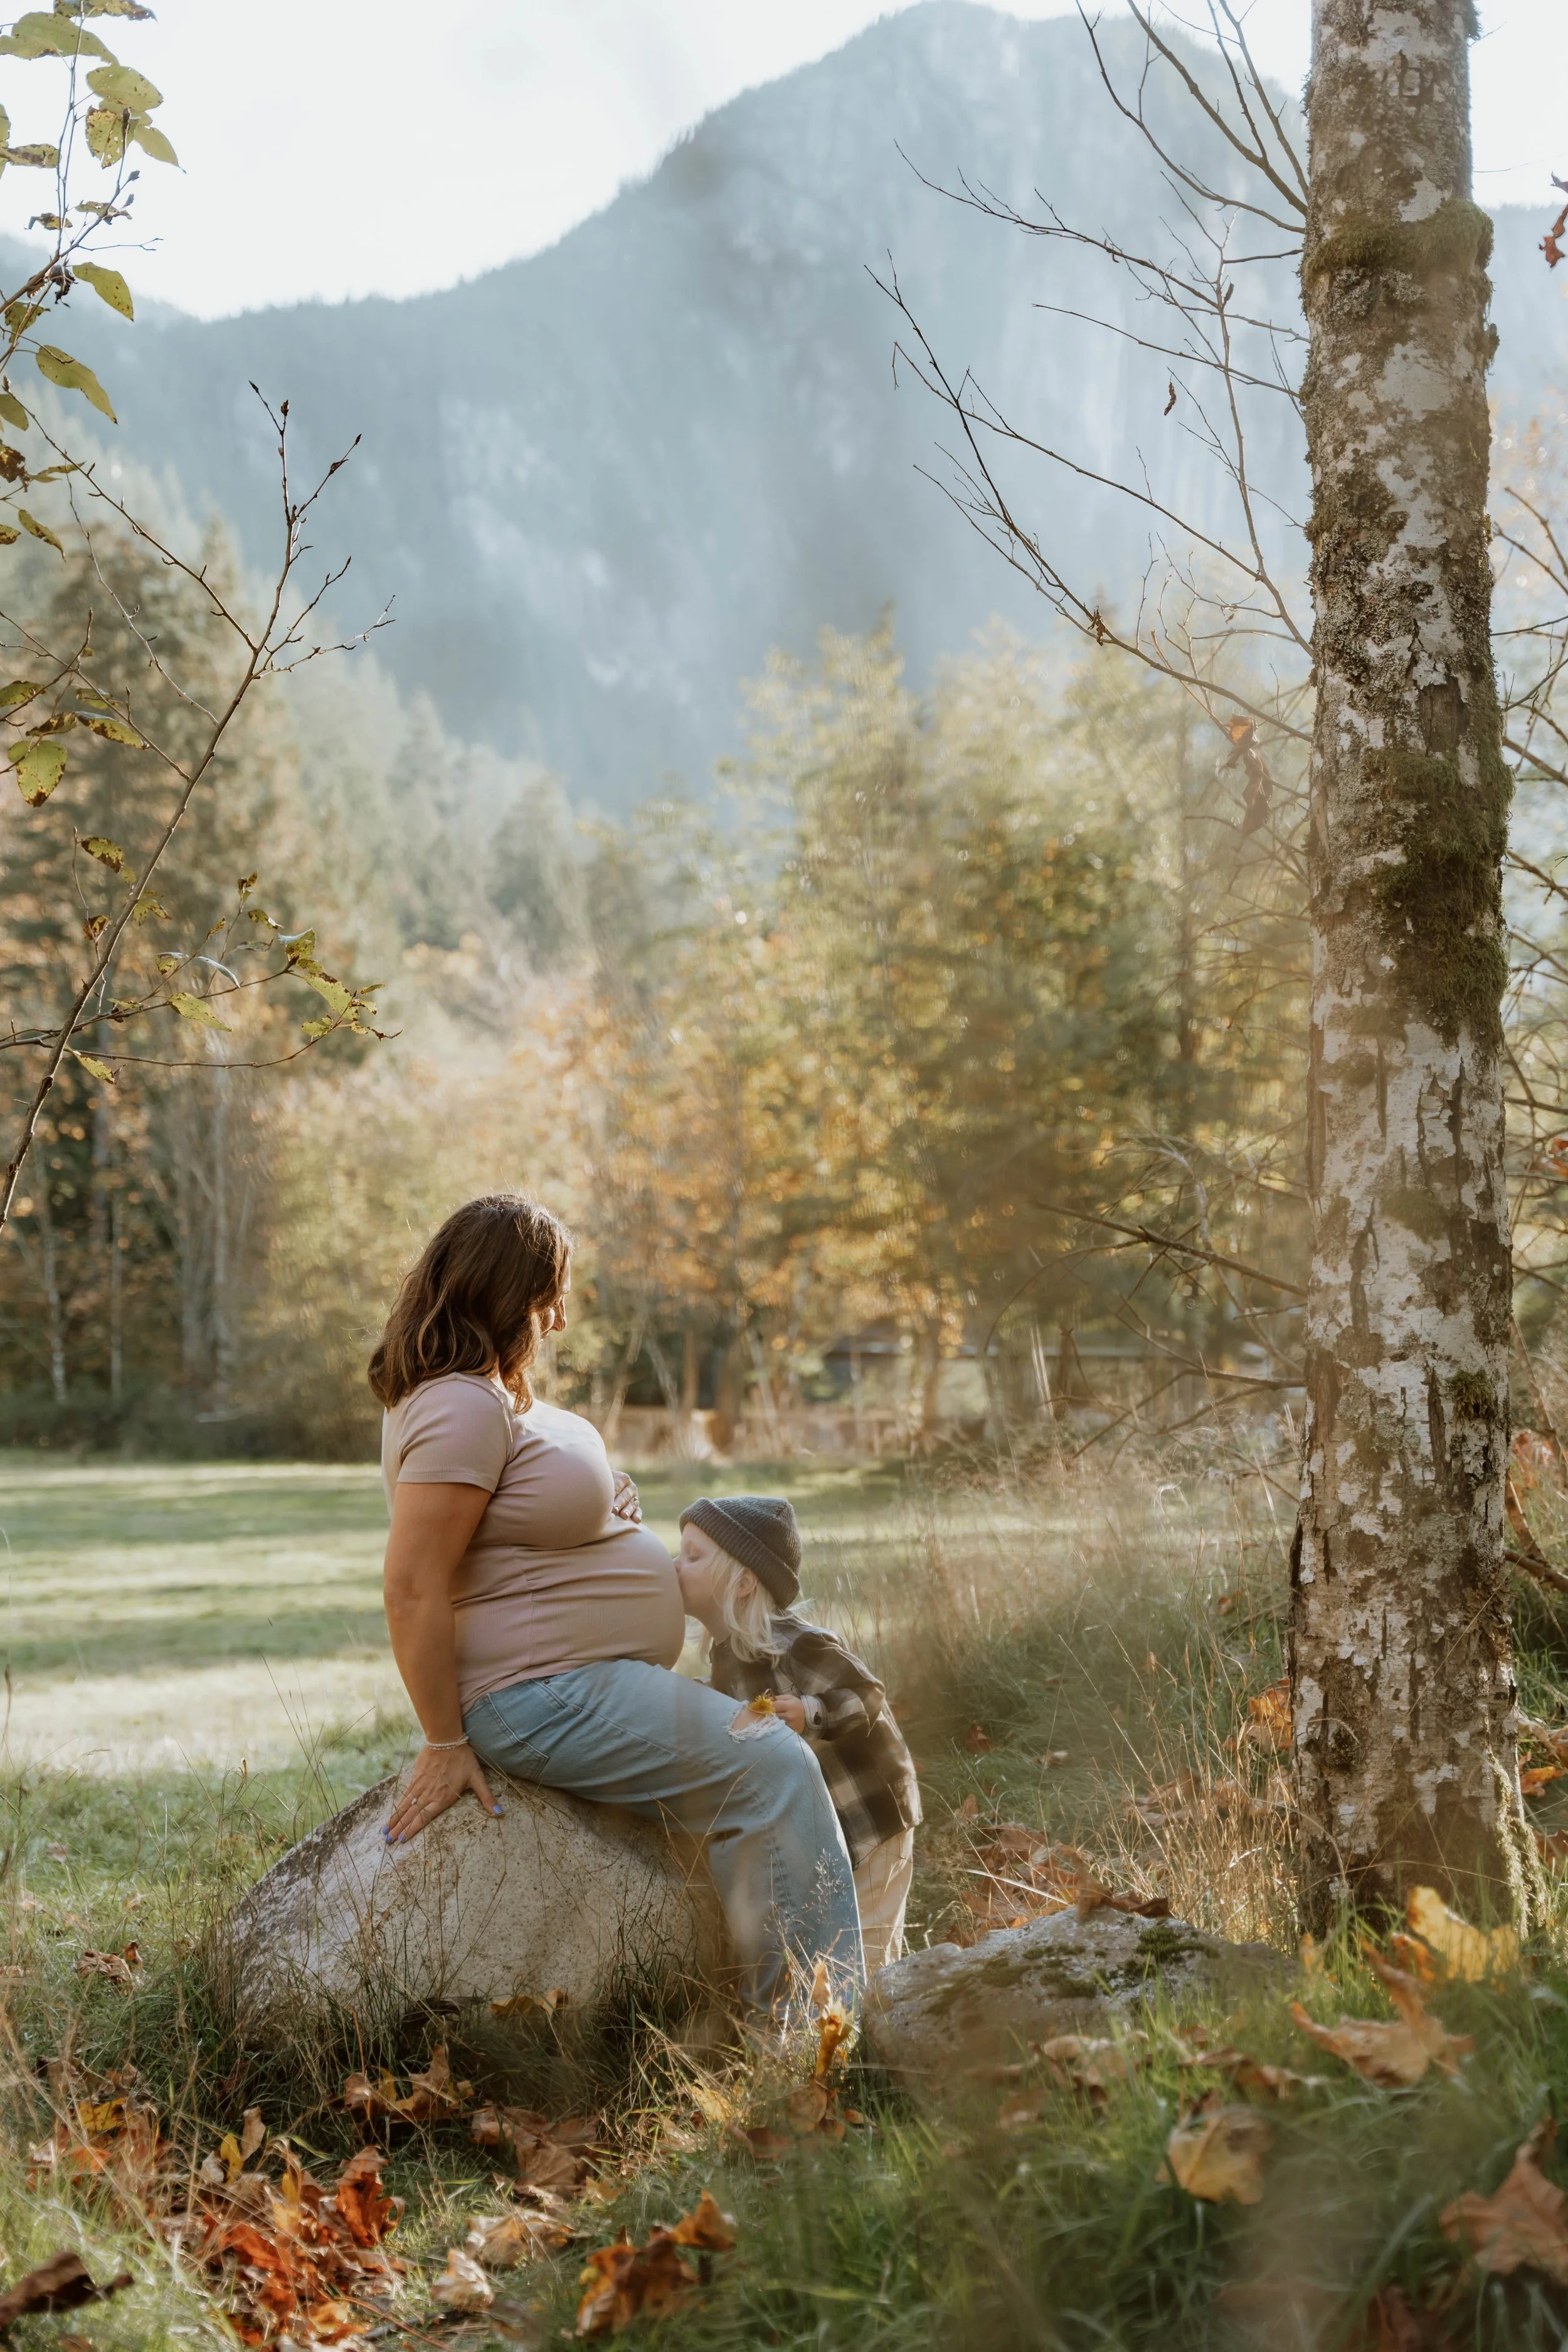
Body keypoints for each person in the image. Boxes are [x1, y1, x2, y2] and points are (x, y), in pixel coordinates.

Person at [368, 1193, 862, 2016]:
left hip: (579, 1678)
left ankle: (796, 2014)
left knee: (769, 1759)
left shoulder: (487, 1396)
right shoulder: (459, 1404)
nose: (557, 1317)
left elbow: (518, 1513)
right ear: (505, 1292)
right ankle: (817, 2030)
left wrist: (600, 1509)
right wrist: (444, 1738)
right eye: (547, 1293)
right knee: (774, 1763)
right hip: (538, 1689)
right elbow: (413, 1581)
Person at [676, 1494, 921, 1974]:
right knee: (830, 1944)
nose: (675, 1565)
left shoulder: (795, 1643)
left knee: (868, 1949)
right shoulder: (727, 1657)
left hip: (870, 1816)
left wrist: (812, 1710)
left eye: (692, 1556)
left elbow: (867, 1696)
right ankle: (839, 2023)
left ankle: (880, 2027)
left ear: (742, 1582)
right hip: (828, 1823)